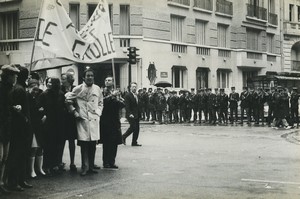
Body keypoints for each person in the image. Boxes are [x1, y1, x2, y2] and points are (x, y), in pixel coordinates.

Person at [67, 68, 103, 176]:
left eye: (91, 75)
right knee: (84, 145)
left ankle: (91, 166)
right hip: (82, 120)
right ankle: (84, 167)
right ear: (84, 77)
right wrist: (74, 112)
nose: (90, 77)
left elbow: (101, 102)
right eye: (88, 75)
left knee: (93, 144)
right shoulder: (78, 89)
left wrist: (98, 112)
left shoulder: (97, 89)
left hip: (94, 120)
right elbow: (68, 101)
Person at [6, 66, 33, 191]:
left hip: (22, 126)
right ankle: (14, 181)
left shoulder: (20, 88)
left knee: (22, 154)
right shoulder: (19, 89)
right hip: (20, 127)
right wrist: (25, 119)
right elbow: (16, 109)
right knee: (17, 154)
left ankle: (21, 180)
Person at [39, 77, 66, 176]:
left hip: (58, 123)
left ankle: (55, 164)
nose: (49, 84)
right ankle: (47, 166)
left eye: (51, 82)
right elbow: (40, 107)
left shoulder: (61, 94)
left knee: (57, 145)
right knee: (48, 145)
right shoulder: (44, 94)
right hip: (49, 123)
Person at [0, 65, 19, 194]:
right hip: (1, 127)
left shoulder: (9, 89)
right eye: (14, 75)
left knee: (4, 157)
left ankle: (1, 181)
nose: (16, 77)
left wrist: (13, 108)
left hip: (6, 126)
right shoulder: (2, 89)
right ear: (8, 76)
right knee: (1, 156)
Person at [100, 76, 125, 169]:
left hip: (115, 120)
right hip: (106, 119)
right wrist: (112, 96)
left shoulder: (117, 92)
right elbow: (102, 102)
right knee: (106, 142)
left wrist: (119, 99)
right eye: (106, 80)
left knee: (114, 142)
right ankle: (105, 161)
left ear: (113, 82)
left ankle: (112, 161)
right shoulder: (102, 91)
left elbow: (122, 105)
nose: (107, 82)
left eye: (109, 80)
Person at [27, 79, 46, 179]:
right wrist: (39, 112)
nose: (35, 91)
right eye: (34, 89)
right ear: (29, 88)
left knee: (39, 147)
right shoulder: (28, 98)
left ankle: (39, 168)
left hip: (38, 126)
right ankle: (32, 170)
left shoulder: (36, 98)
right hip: (33, 126)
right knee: (33, 148)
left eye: (37, 90)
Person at [60, 73, 77, 172]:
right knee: (61, 141)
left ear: (69, 80)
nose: (62, 81)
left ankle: (72, 162)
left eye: (64, 79)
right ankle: (60, 162)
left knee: (71, 141)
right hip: (63, 118)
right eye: (62, 79)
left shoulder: (75, 89)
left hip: (72, 119)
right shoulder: (60, 90)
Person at [122, 82, 142, 146]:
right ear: (130, 87)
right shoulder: (127, 95)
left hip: (137, 114)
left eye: (135, 87)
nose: (134, 88)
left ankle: (134, 142)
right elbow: (127, 106)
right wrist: (130, 113)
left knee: (137, 129)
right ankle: (123, 137)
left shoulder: (137, 95)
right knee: (133, 127)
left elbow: (138, 105)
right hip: (131, 115)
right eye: (133, 87)